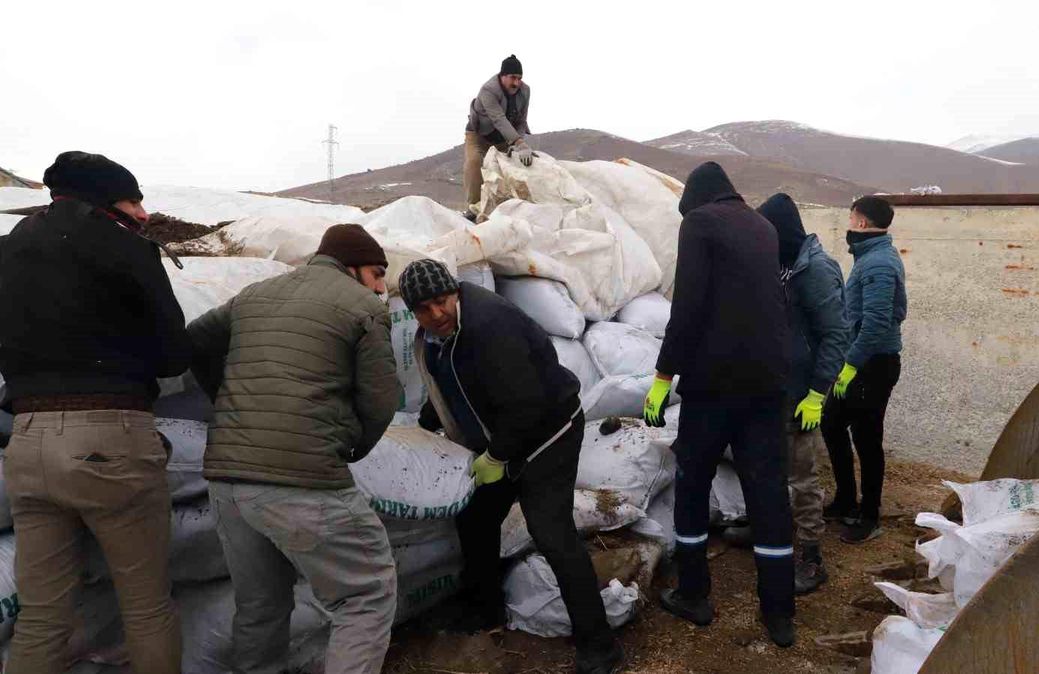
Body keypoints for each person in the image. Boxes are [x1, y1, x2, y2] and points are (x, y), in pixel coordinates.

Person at [0, 151, 190, 674]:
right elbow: (175, 355)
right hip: (110, 436)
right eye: (134, 200)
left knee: (40, 618)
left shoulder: (8, 249)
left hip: (27, 441)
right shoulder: (125, 246)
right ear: (108, 201)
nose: (144, 214)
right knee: (147, 607)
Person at [187, 224, 400, 674]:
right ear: (351, 267)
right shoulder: (363, 306)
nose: (383, 286)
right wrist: (353, 445)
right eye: (378, 273)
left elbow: (194, 341)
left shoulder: (254, 294)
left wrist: (226, 400)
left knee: (260, 606)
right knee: (365, 595)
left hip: (228, 482)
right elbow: (381, 399)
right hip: (301, 479)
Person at [399, 258, 623, 674]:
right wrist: (426, 428)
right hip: (504, 440)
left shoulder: (488, 326)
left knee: (551, 533)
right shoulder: (441, 335)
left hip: (549, 435)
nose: (435, 314)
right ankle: (486, 610)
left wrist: (499, 458)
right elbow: (453, 381)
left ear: (454, 292)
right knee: (475, 518)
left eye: (440, 301)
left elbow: (527, 406)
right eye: (423, 309)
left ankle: (600, 646)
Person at [643, 162, 796, 647]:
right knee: (768, 493)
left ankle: (695, 596)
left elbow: (687, 306)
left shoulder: (700, 223)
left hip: (714, 386)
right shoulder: (762, 225)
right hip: (768, 385)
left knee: (692, 484)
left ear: (696, 200)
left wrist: (663, 376)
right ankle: (779, 615)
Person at [755, 192, 849, 593]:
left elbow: (836, 334)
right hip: (776, 386)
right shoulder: (784, 265)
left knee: (802, 475)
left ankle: (812, 557)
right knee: (774, 468)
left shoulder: (816, 270)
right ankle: (774, 532)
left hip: (802, 392)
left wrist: (817, 393)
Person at [821, 196, 907, 544]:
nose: (848, 224)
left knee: (868, 439)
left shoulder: (879, 264)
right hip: (860, 361)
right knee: (832, 422)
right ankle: (845, 499)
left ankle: (869, 515)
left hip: (873, 365)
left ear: (860, 223)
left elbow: (875, 323)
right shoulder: (870, 257)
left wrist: (850, 367)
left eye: (850, 217)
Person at [462, 54, 533, 220]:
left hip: (505, 139)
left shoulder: (525, 91)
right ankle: (474, 211)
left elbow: (522, 121)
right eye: (512, 78)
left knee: (514, 167)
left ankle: (506, 212)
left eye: (519, 78)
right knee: (474, 165)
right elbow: (498, 119)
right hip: (479, 136)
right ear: (502, 76)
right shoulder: (488, 90)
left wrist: (518, 145)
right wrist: (519, 141)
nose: (516, 83)